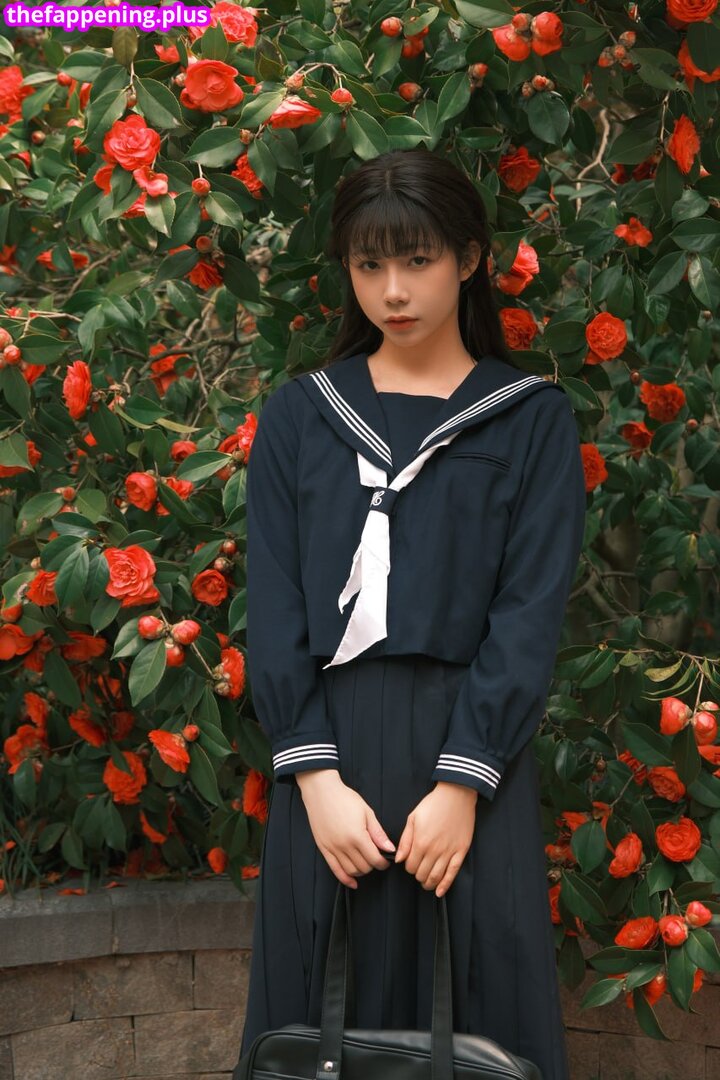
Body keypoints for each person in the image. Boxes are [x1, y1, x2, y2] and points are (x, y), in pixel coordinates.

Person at [234, 148, 586, 1080]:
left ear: (469, 259)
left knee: (479, 1024)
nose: (393, 290)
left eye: (418, 260)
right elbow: (274, 603)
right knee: (318, 1031)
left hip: (472, 764)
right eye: (369, 264)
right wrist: (315, 781)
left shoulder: (530, 421)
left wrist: (462, 786)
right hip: (329, 763)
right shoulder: (301, 416)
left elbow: (528, 615)